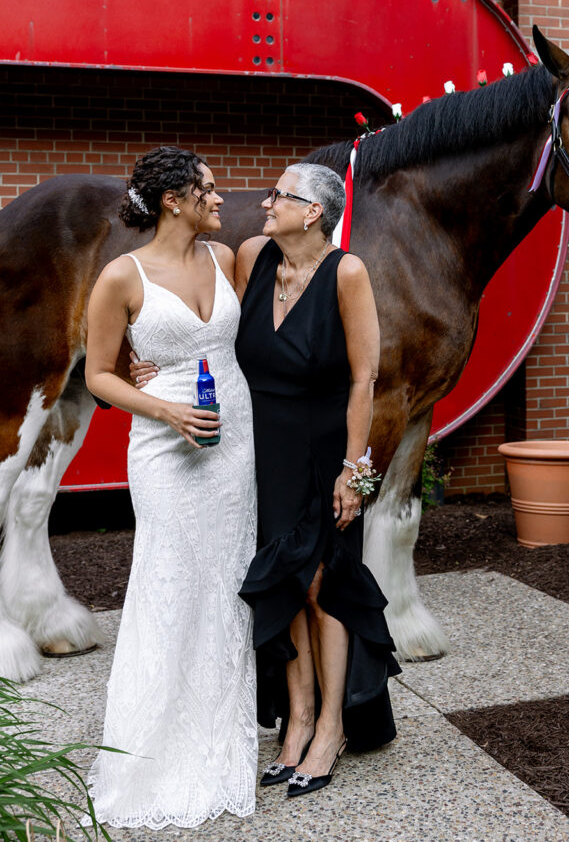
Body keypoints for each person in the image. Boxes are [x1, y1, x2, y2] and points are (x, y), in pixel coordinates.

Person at [84, 146, 258, 828]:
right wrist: (162, 407)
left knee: (224, 581)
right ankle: (150, 751)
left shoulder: (228, 261)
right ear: (173, 202)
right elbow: (100, 375)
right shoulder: (119, 279)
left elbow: (255, 342)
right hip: (164, 445)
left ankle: (217, 730)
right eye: (208, 190)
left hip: (233, 440)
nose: (221, 199)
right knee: (168, 580)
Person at [234, 163, 400, 797]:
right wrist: (141, 362)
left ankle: (330, 726)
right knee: (286, 582)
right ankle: (296, 719)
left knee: (324, 585)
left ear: (313, 212)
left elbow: (365, 379)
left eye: (282, 195)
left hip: (327, 448)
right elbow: (200, 319)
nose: (268, 201)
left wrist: (354, 473)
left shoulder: (347, 272)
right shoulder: (252, 257)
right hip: (265, 452)